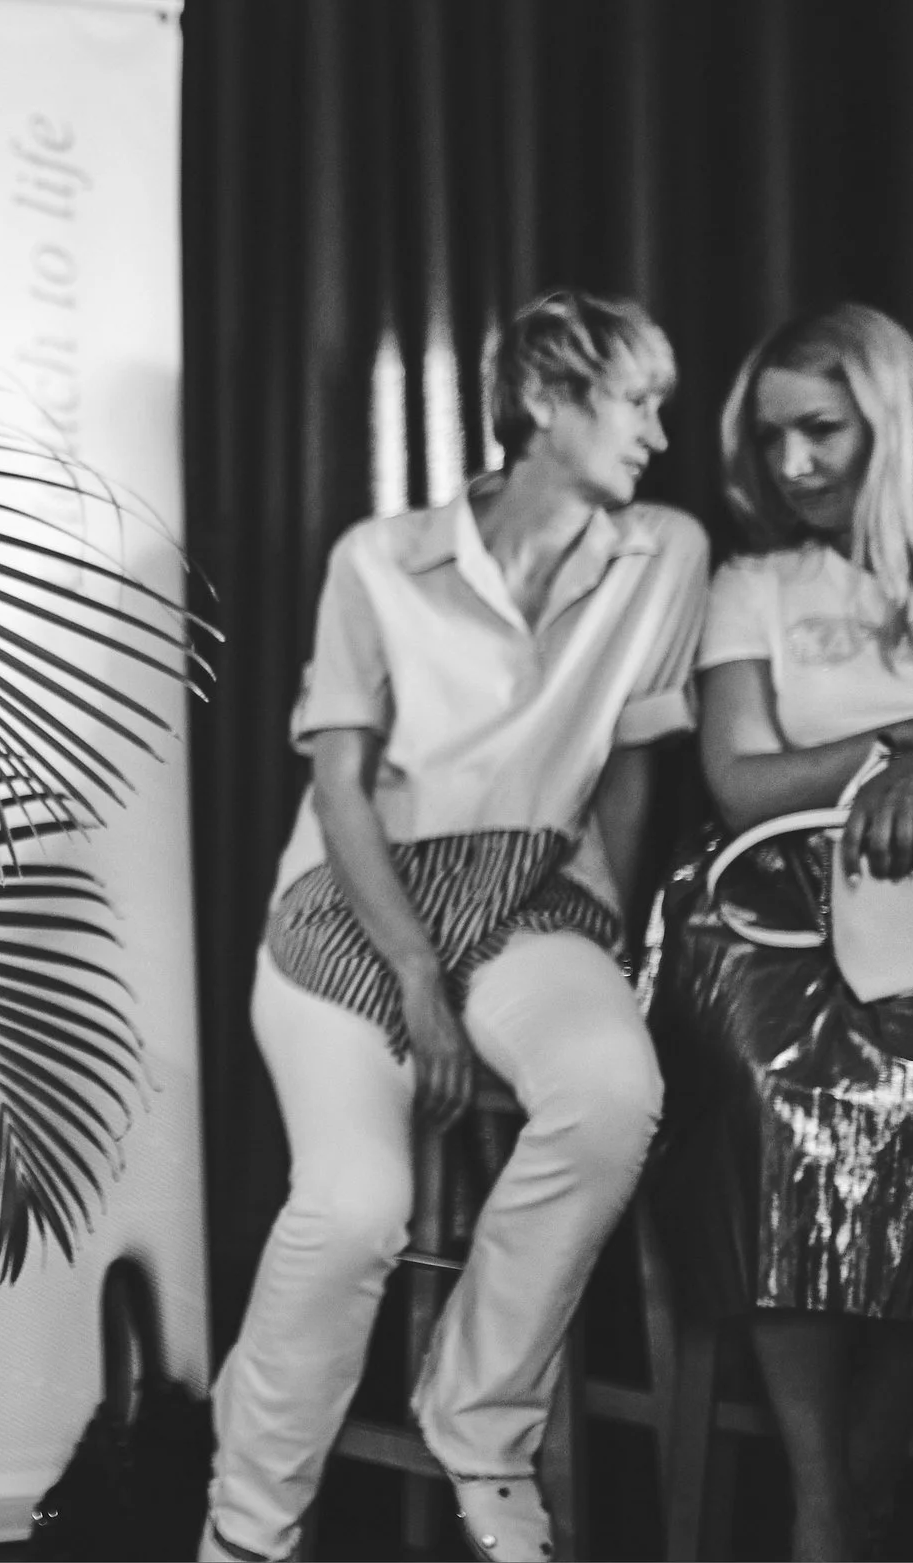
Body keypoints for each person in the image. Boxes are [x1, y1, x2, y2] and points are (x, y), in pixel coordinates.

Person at [202, 289, 709, 1563]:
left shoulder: (666, 554)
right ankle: (243, 1534)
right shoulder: (381, 558)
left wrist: (603, 926)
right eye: (636, 399)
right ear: (546, 396)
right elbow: (336, 782)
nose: (658, 430)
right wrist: (418, 976)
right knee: (355, 1205)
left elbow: (640, 761)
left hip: (535, 895)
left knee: (609, 1091)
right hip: (352, 906)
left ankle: (478, 1424)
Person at [653, 302, 913, 1561]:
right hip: (768, 906)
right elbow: (737, 776)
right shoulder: (754, 582)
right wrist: (905, 745)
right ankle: (825, 1507)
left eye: (819, 430)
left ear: (889, 420)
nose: (790, 468)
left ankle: (859, 1487)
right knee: (792, 1091)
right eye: (770, 439)